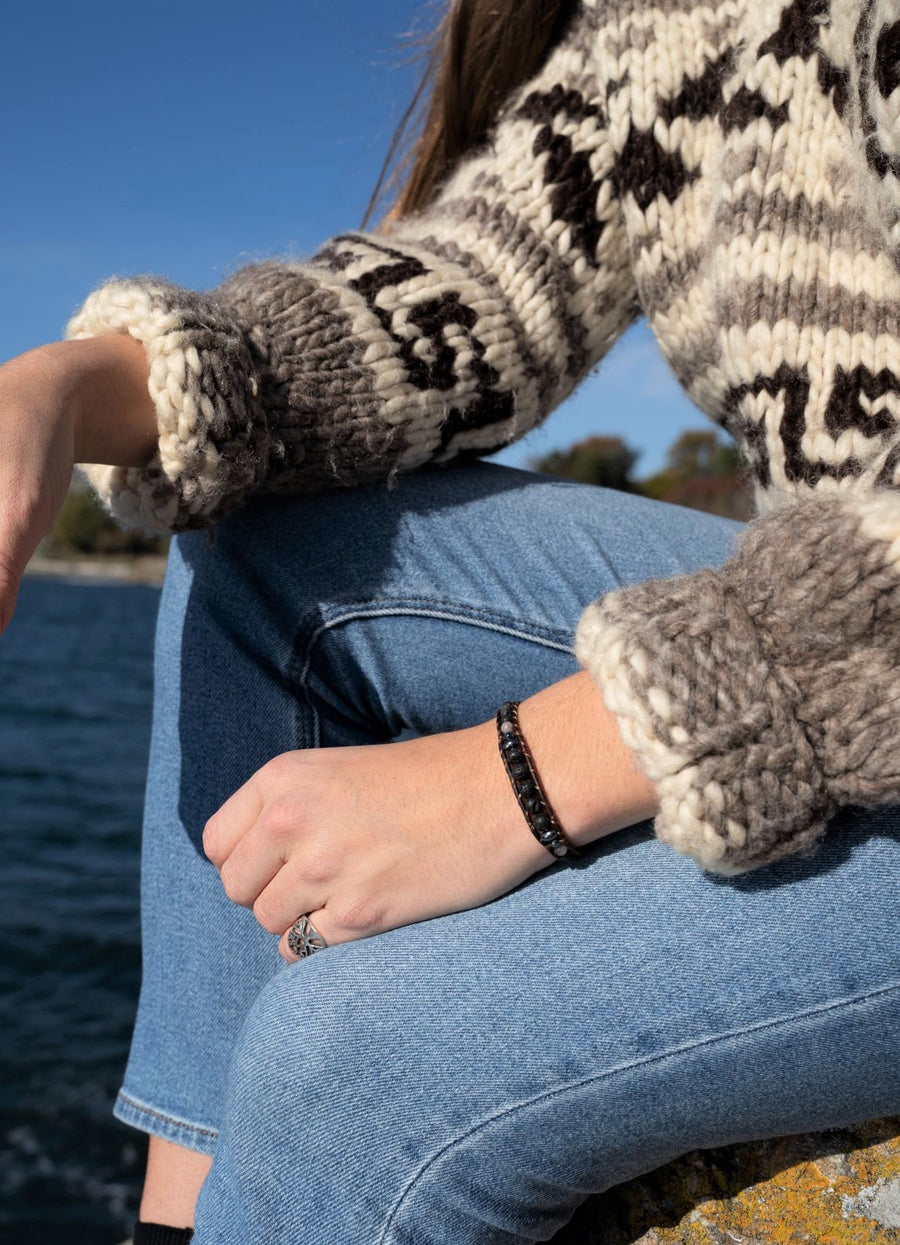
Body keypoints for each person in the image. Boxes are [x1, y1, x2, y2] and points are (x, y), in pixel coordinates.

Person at [3, 0, 899, 1240]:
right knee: (267, 546)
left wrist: (516, 780)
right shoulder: (657, 32)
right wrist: (51, 395)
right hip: (838, 586)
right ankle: (186, 1214)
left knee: (354, 1064)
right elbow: (448, 303)